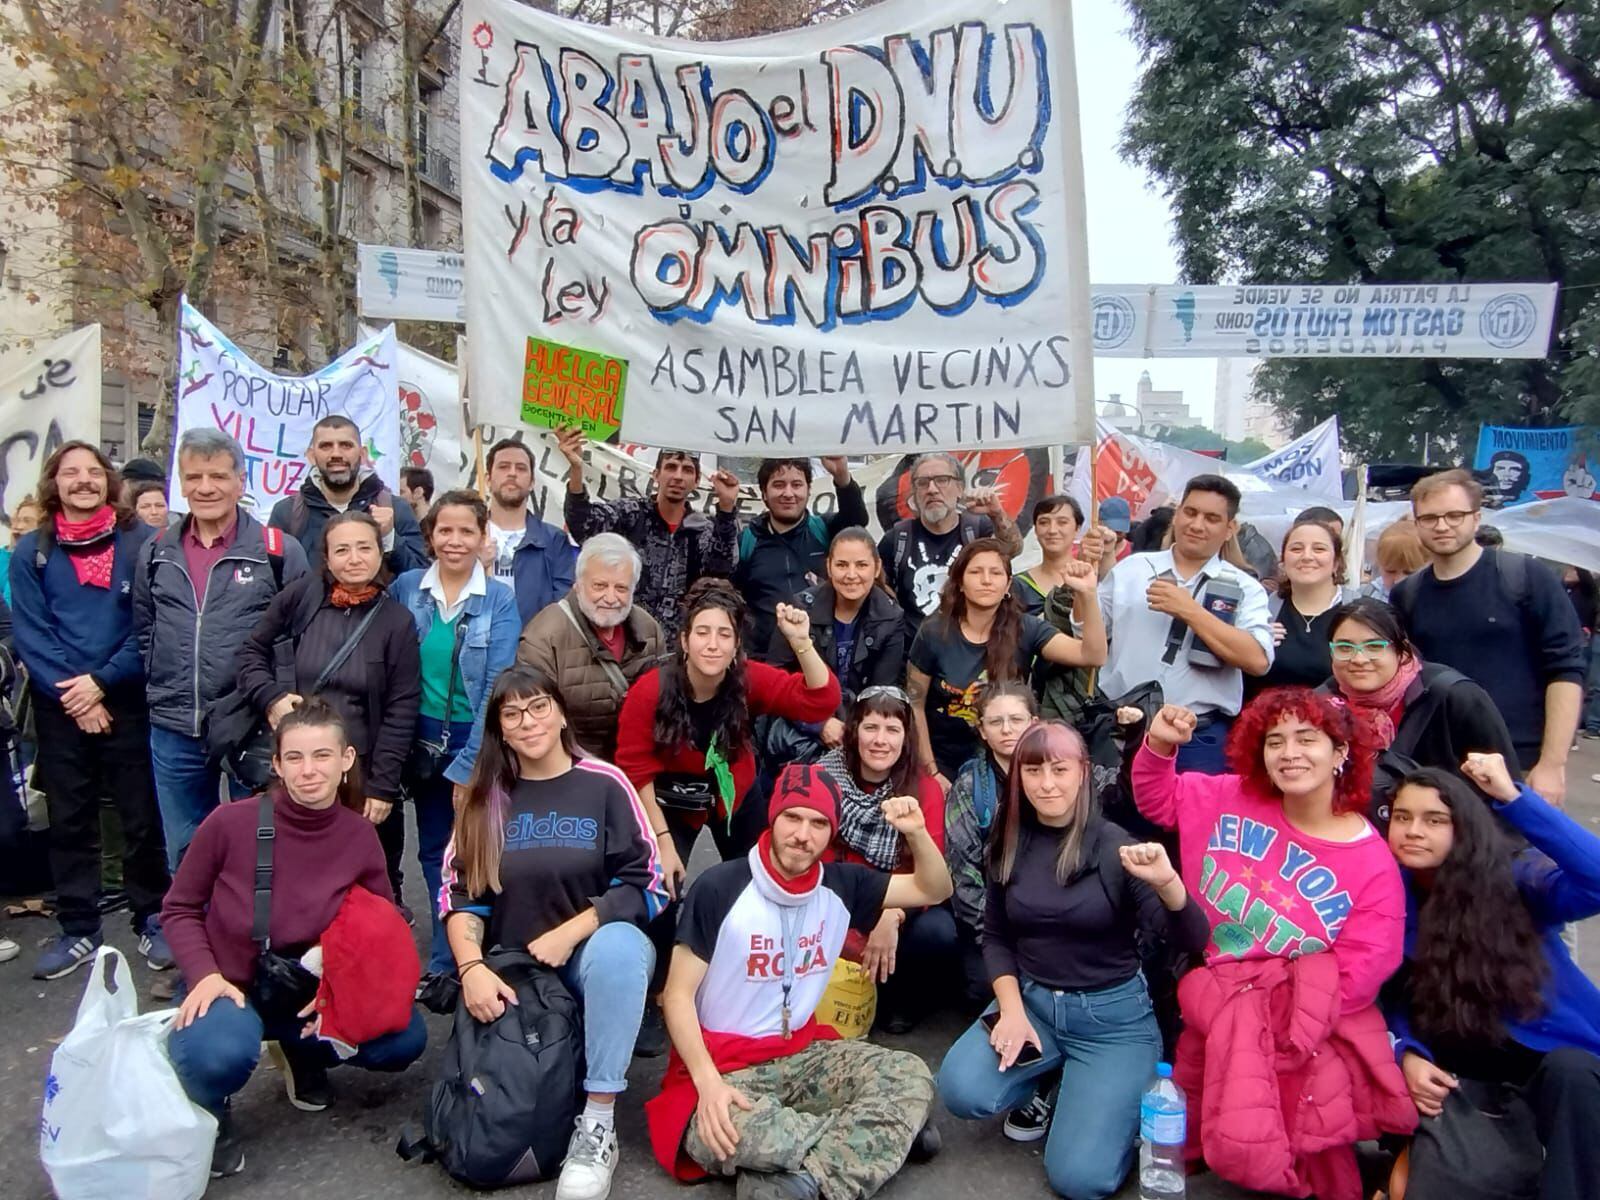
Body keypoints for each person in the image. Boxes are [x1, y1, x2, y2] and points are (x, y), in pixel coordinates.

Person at [1132, 689, 1411, 1199]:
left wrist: (1270, 1015)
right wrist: (1159, 744)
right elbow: (1158, 798)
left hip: (1300, 1020)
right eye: (1275, 741)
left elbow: (1363, 971)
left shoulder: (1370, 861)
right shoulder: (1231, 796)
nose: (1290, 753)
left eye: (1308, 739)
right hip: (1215, 985)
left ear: (1341, 753)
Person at [647, 764, 952, 1200]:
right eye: (793, 817)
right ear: (774, 817)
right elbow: (675, 996)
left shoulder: (843, 884)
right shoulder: (721, 886)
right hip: (725, 1067)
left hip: (802, 1054)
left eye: (819, 823)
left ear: (832, 832)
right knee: (749, 1133)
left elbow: (934, 889)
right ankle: (882, 1140)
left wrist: (917, 833)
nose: (802, 834)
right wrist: (708, 1082)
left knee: (909, 1072)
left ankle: (796, 1178)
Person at [937, 721, 1209, 1200]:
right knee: (961, 1090)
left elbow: (1191, 939)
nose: (1047, 784)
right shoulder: (1009, 838)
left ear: (1083, 773)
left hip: (1112, 1021)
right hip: (1036, 1004)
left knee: (1079, 1180)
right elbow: (996, 935)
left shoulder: (1115, 847)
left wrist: (1170, 885)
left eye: (1060, 770)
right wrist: (1014, 1012)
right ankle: (1054, 1079)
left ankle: (1089, 1097)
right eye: (1034, 771)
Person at [163, 701, 427, 1178]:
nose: (310, 771)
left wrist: (340, 979)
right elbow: (179, 908)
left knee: (402, 1039)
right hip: (232, 985)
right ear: (277, 764)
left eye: (323, 756)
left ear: (346, 760)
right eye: (296, 758)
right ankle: (210, 1113)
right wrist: (202, 976)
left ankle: (302, 1050)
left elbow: (381, 925)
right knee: (217, 1053)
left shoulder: (359, 836)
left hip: (309, 988)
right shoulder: (229, 824)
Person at [441, 667, 667, 1200]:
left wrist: (575, 930)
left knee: (622, 946)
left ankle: (598, 1121)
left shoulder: (604, 783)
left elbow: (650, 883)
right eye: (512, 713)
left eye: (539, 706)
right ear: (500, 728)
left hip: (585, 954)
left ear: (561, 712)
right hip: (514, 966)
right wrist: (471, 969)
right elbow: (459, 898)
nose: (528, 722)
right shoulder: (486, 799)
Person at [616, 578, 840, 1051]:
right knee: (657, 883)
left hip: (731, 793)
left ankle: (760, 978)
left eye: (724, 634)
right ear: (683, 639)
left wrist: (801, 643)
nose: (712, 643)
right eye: (702, 632)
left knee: (766, 875)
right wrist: (660, 841)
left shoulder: (748, 678)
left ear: (737, 644)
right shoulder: (650, 690)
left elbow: (820, 701)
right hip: (667, 799)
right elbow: (634, 769)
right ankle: (658, 993)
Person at [1383, 755, 1600, 1200]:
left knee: (1572, 1074)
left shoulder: (1513, 881)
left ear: (1462, 828)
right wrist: (1405, 1054)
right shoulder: (1384, 894)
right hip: (1461, 1075)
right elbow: (1383, 998)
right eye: (1402, 817)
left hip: (1553, 1065)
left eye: (1434, 819)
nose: (1414, 830)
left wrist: (1514, 799)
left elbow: (1595, 878)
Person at [10, 442, 170, 981]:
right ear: (53, 483)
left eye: (93, 472)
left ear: (109, 481)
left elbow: (147, 626)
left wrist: (101, 684)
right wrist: (77, 697)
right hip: (62, 706)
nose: (83, 481)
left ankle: (152, 917)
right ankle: (78, 926)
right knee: (70, 820)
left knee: (142, 817)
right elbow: (32, 632)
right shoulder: (31, 551)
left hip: (125, 695)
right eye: (70, 473)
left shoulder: (141, 543)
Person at [136, 428, 309, 868]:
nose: (205, 487)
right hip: (174, 723)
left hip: (250, 722)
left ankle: (250, 939)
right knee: (186, 852)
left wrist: (275, 706)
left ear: (240, 481)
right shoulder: (155, 551)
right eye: (194, 477)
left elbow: (301, 638)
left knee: (257, 850)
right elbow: (145, 628)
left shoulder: (278, 552)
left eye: (217, 475)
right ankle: (195, 936)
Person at [233, 511, 422, 871]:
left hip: (358, 773)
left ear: (380, 553)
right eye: (342, 550)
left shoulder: (396, 621)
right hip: (297, 764)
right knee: (291, 866)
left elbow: (401, 707)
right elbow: (251, 651)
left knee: (361, 872)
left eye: (364, 548)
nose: (354, 559)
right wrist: (270, 698)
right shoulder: (302, 596)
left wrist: (382, 787)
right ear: (327, 557)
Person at [1390, 469, 1585, 805]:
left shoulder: (1525, 577)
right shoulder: (1407, 594)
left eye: (1454, 515)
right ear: (1417, 523)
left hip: (1518, 761)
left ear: (1476, 518)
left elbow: (1565, 670)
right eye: (1430, 517)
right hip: (1436, 763)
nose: (1442, 525)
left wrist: (1552, 764)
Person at [390, 490, 521, 979]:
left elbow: (497, 681)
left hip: (478, 735)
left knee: (480, 846)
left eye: (467, 531)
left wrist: (469, 764)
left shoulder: (500, 598)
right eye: (445, 530)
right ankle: (447, 959)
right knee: (432, 849)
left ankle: (491, 946)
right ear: (430, 536)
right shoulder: (407, 588)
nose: (455, 540)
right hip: (419, 737)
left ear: (483, 537)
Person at [1097, 474, 1274, 774]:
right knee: (1115, 819)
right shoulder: (1133, 570)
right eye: (1190, 512)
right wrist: (1084, 582)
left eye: (1212, 518)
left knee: (1189, 820)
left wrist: (1191, 611)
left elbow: (1258, 660)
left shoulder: (1244, 588)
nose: (1196, 525)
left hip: (1198, 737)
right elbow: (1089, 637)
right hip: (1124, 726)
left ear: (1230, 528)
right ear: (1177, 514)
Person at [907, 538, 1104, 784]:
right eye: (976, 572)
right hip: (943, 761)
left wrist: (1088, 594)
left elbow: (1092, 655)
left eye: (996, 573)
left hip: (1008, 761)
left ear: (1008, 584)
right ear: (959, 582)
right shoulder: (934, 632)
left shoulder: (1026, 628)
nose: (986, 580)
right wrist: (931, 771)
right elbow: (915, 703)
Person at [815, 687, 950, 1033]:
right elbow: (814, 856)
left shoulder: (925, 789)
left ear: (906, 739)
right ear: (854, 731)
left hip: (899, 899)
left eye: (892, 730)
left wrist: (893, 914)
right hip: (839, 893)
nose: (880, 740)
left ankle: (899, 1000)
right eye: (870, 727)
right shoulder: (823, 777)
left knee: (938, 933)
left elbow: (930, 871)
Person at [1323, 598, 1520, 818]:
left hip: (1452, 837)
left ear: (1402, 651)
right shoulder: (1323, 703)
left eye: (1374, 647)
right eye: (1344, 647)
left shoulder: (1452, 696)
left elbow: (1504, 787)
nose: (1358, 659)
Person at [557, 427, 739, 635]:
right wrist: (577, 469)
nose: (678, 476)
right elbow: (584, 527)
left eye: (687, 470)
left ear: (697, 481)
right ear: (656, 474)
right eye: (671, 467)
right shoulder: (631, 514)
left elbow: (721, 570)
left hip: (679, 646)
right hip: (626, 638)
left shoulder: (703, 529)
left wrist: (726, 508)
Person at [517, 532, 664, 761]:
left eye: (621, 588)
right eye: (599, 586)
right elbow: (535, 723)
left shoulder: (649, 630)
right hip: (569, 766)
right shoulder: (544, 637)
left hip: (634, 765)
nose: (610, 597)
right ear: (578, 584)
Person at [766, 527, 906, 756]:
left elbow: (882, 692)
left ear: (877, 567)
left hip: (859, 730)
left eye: (861, 565)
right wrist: (819, 724)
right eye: (842, 565)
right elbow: (774, 679)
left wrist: (852, 731)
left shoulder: (891, 616)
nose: (851, 575)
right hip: (800, 724)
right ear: (829, 566)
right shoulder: (801, 609)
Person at [944, 681, 1037, 1004]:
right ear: (982, 731)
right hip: (994, 921)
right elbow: (962, 877)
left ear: (1034, 724)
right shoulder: (971, 786)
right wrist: (1001, 935)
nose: (1007, 729)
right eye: (996, 722)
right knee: (986, 989)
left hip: (1052, 919)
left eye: (1017, 720)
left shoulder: (1059, 775)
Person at [878, 452, 1024, 640]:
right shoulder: (897, 539)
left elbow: (1013, 549)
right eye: (923, 482)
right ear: (914, 493)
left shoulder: (978, 530)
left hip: (969, 649)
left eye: (942, 480)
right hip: (912, 653)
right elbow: (879, 589)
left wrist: (997, 514)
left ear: (960, 488)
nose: (932, 489)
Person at [734, 456, 868, 660]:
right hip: (764, 660)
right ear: (763, 493)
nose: (788, 493)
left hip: (820, 655)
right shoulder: (747, 541)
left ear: (808, 490)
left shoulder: (823, 530)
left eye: (796, 485)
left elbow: (857, 521)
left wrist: (841, 476)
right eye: (778, 485)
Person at [269, 414, 428, 575]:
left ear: (362, 453)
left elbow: (419, 581)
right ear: (311, 456)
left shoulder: (395, 509)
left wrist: (389, 537)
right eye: (326, 446)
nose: (336, 454)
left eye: (346, 445)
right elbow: (270, 580)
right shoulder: (286, 513)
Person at [1251, 516, 1355, 695]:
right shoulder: (1259, 611)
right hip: (1268, 718)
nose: (1307, 556)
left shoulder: (1359, 612)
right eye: (1296, 549)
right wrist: (1250, 641)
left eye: (1319, 549)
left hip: (1338, 718)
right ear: (1283, 561)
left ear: (1336, 562)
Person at [481, 437, 576, 625]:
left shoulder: (554, 540)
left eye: (521, 468)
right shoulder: (470, 535)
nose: (512, 474)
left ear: (532, 482)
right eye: (503, 466)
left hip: (533, 649)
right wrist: (476, 565)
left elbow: (564, 608)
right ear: (487, 480)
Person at [1012, 496, 1094, 614]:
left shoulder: (1090, 578)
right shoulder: (1018, 585)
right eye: (1044, 522)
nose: (1052, 530)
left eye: (1062, 522)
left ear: (1078, 528)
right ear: (1035, 529)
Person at [1561, 564, 1600, 736]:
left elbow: (1585, 576)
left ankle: (1590, 724)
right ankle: (1583, 720)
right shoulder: (1566, 590)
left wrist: (1578, 560)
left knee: (1585, 682)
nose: (1568, 572)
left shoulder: (1587, 589)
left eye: (1573, 570)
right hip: (1573, 637)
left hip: (1584, 639)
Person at [1359, 518, 1427, 601]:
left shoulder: (1433, 598)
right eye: (1390, 571)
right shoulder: (1366, 595)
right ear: (1380, 565)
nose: (1398, 581)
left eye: (1409, 573)